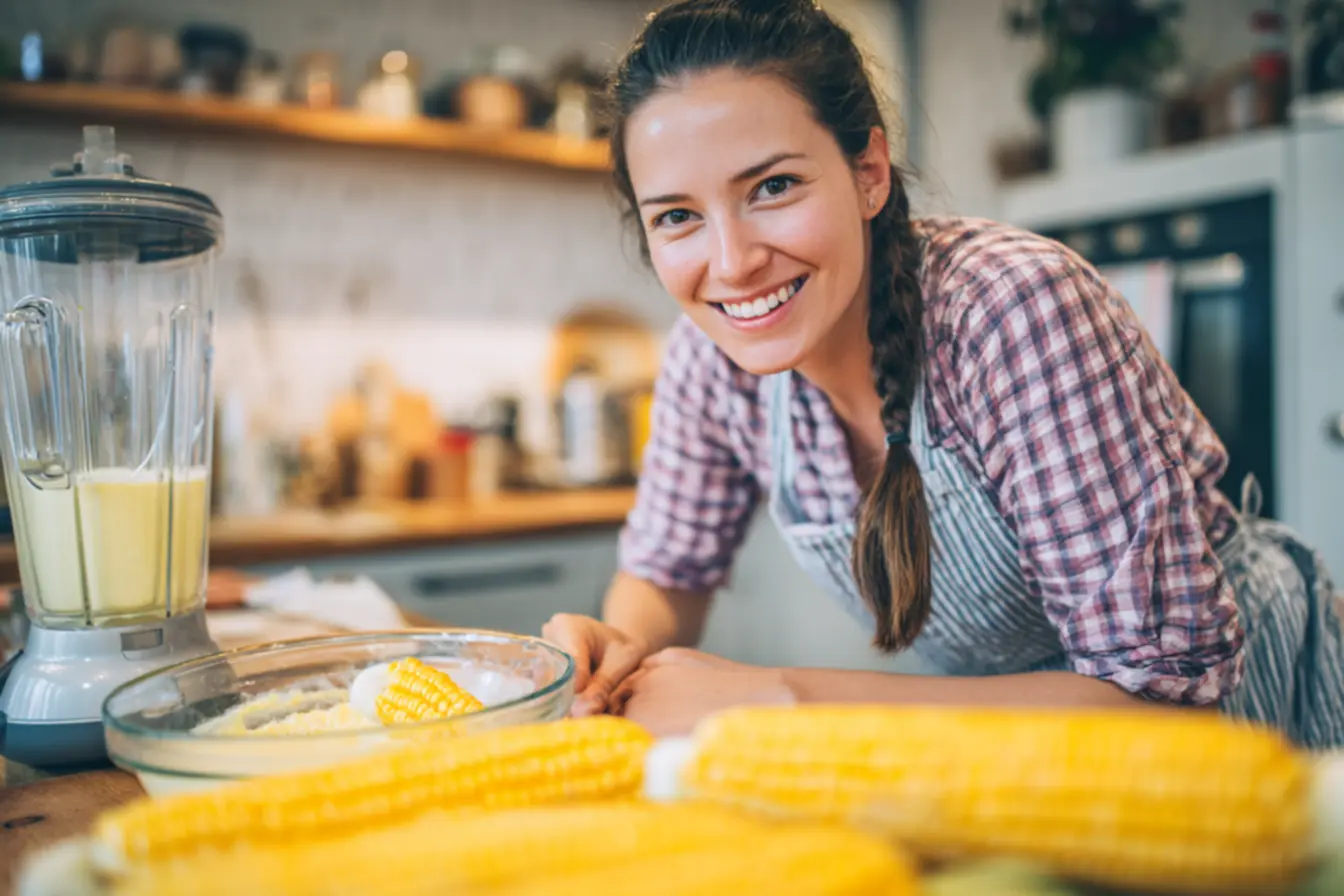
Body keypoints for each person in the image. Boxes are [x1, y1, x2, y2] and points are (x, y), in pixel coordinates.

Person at [543, 0, 1344, 745]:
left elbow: (1166, 700)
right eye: (677, 216)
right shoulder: (708, 360)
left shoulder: (1012, 311)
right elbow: (666, 572)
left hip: (1254, 732)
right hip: (1029, 748)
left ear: (869, 173)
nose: (732, 263)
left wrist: (779, 697)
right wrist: (623, 643)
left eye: (774, 186)